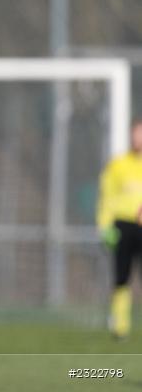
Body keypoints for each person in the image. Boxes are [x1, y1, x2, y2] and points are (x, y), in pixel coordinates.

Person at [97, 118, 142, 340]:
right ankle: (120, 327)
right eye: (137, 133)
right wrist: (105, 226)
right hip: (123, 226)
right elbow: (107, 196)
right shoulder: (118, 164)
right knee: (121, 277)